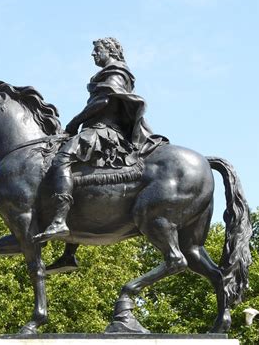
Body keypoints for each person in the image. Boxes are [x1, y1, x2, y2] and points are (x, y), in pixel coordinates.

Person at [34, 37, 164, 244]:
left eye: (97, 50)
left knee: (62, 159)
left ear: (110, 51)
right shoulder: (112, 73)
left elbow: (104, 101)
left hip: (104, 131)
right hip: (100, 130)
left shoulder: (115, 72)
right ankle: (70, 249)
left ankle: (59, 221)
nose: (93, 54)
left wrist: (74, 122)